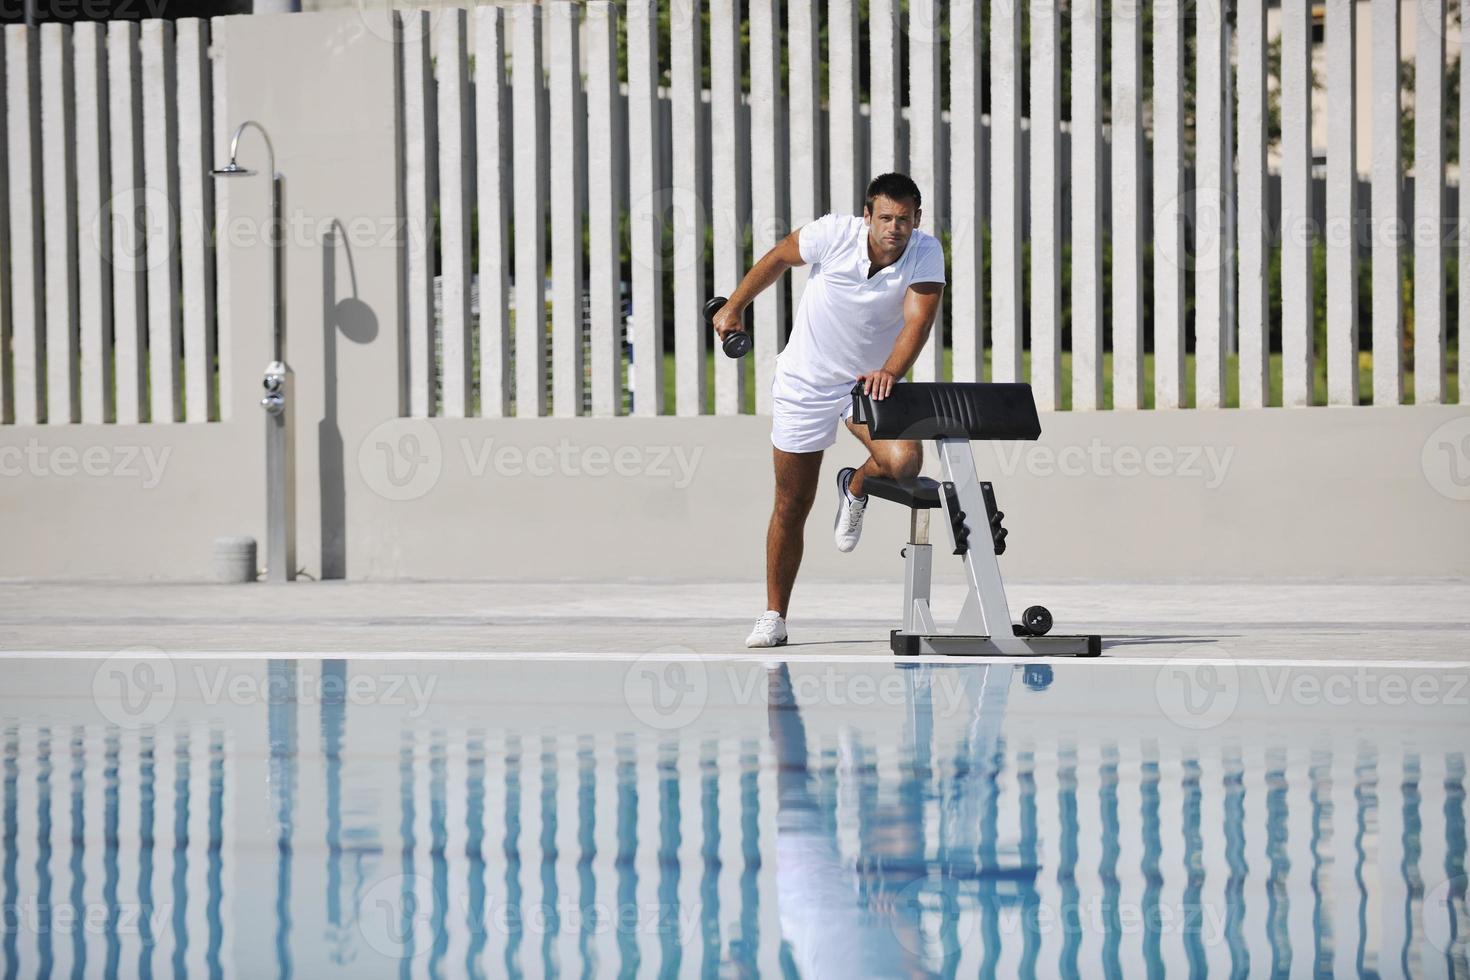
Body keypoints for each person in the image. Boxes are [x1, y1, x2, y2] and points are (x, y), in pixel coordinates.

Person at [711, 173, 947, 649]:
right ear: (867, 216)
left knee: (904, 462)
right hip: (806, 382)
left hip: (867, 383)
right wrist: (735, 306)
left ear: (917, 219)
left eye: (904, 219)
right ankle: (774, 614)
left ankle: (854, 485)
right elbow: (778, 257)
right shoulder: (832, 234)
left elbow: (919, 322)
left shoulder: (927, 251)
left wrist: (890, 372)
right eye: (885, 217)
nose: (894, 228)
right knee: (792, 504)